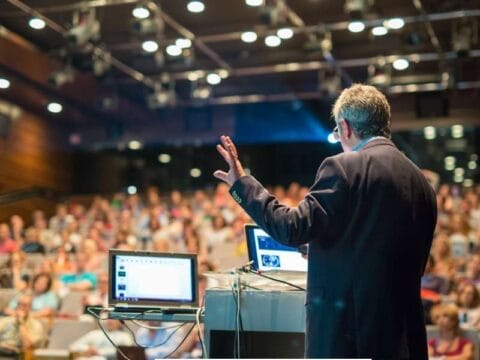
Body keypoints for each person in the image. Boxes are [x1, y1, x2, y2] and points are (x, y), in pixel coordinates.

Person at [214, 84, 437, 358]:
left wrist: (243, 185)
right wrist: (320, 251)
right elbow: (384, 252)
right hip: (402, 341)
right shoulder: (421, 183)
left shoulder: (344, 166)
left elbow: (290, 227)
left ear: (344, 127)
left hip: (349, 341)